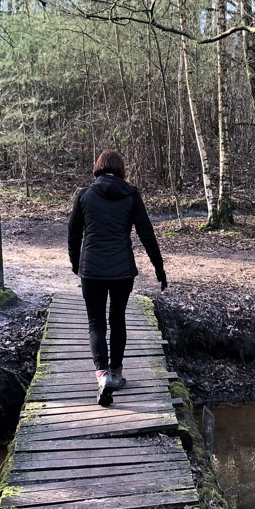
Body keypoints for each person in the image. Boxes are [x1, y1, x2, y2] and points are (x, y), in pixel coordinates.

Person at [67, 150, 168, 407]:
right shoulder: (131, 195)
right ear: (121, 169)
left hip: (92, 270)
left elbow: (73, 234)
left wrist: (75, 263)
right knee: (118, 319)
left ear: (98, 168)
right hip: (122, 270)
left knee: (96, 324)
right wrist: (159, 267)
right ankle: (116, 373)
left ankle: (102, 376)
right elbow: (147, 233)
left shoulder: (85, 194)